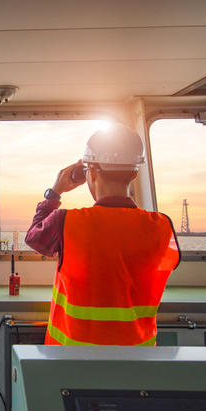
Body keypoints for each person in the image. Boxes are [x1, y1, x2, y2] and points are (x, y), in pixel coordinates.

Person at [25, 123, 180, 346]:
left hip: (72, 359)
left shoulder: (66, 221)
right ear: (135, 173)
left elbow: (33, 237)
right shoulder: (162, 226)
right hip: (137, 358)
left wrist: (54, 193)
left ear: (91, 172)